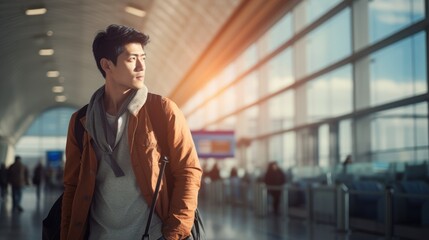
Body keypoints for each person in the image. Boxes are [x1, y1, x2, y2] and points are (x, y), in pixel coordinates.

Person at [61, 24, 202, 240]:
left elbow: (188, 172)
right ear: (107, 65)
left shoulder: (162, 111)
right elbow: (72, 186)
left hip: (153, 234)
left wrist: (174, 235)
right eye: (132, 59)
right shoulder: (82, 122)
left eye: (143, 58)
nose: (141, 67)